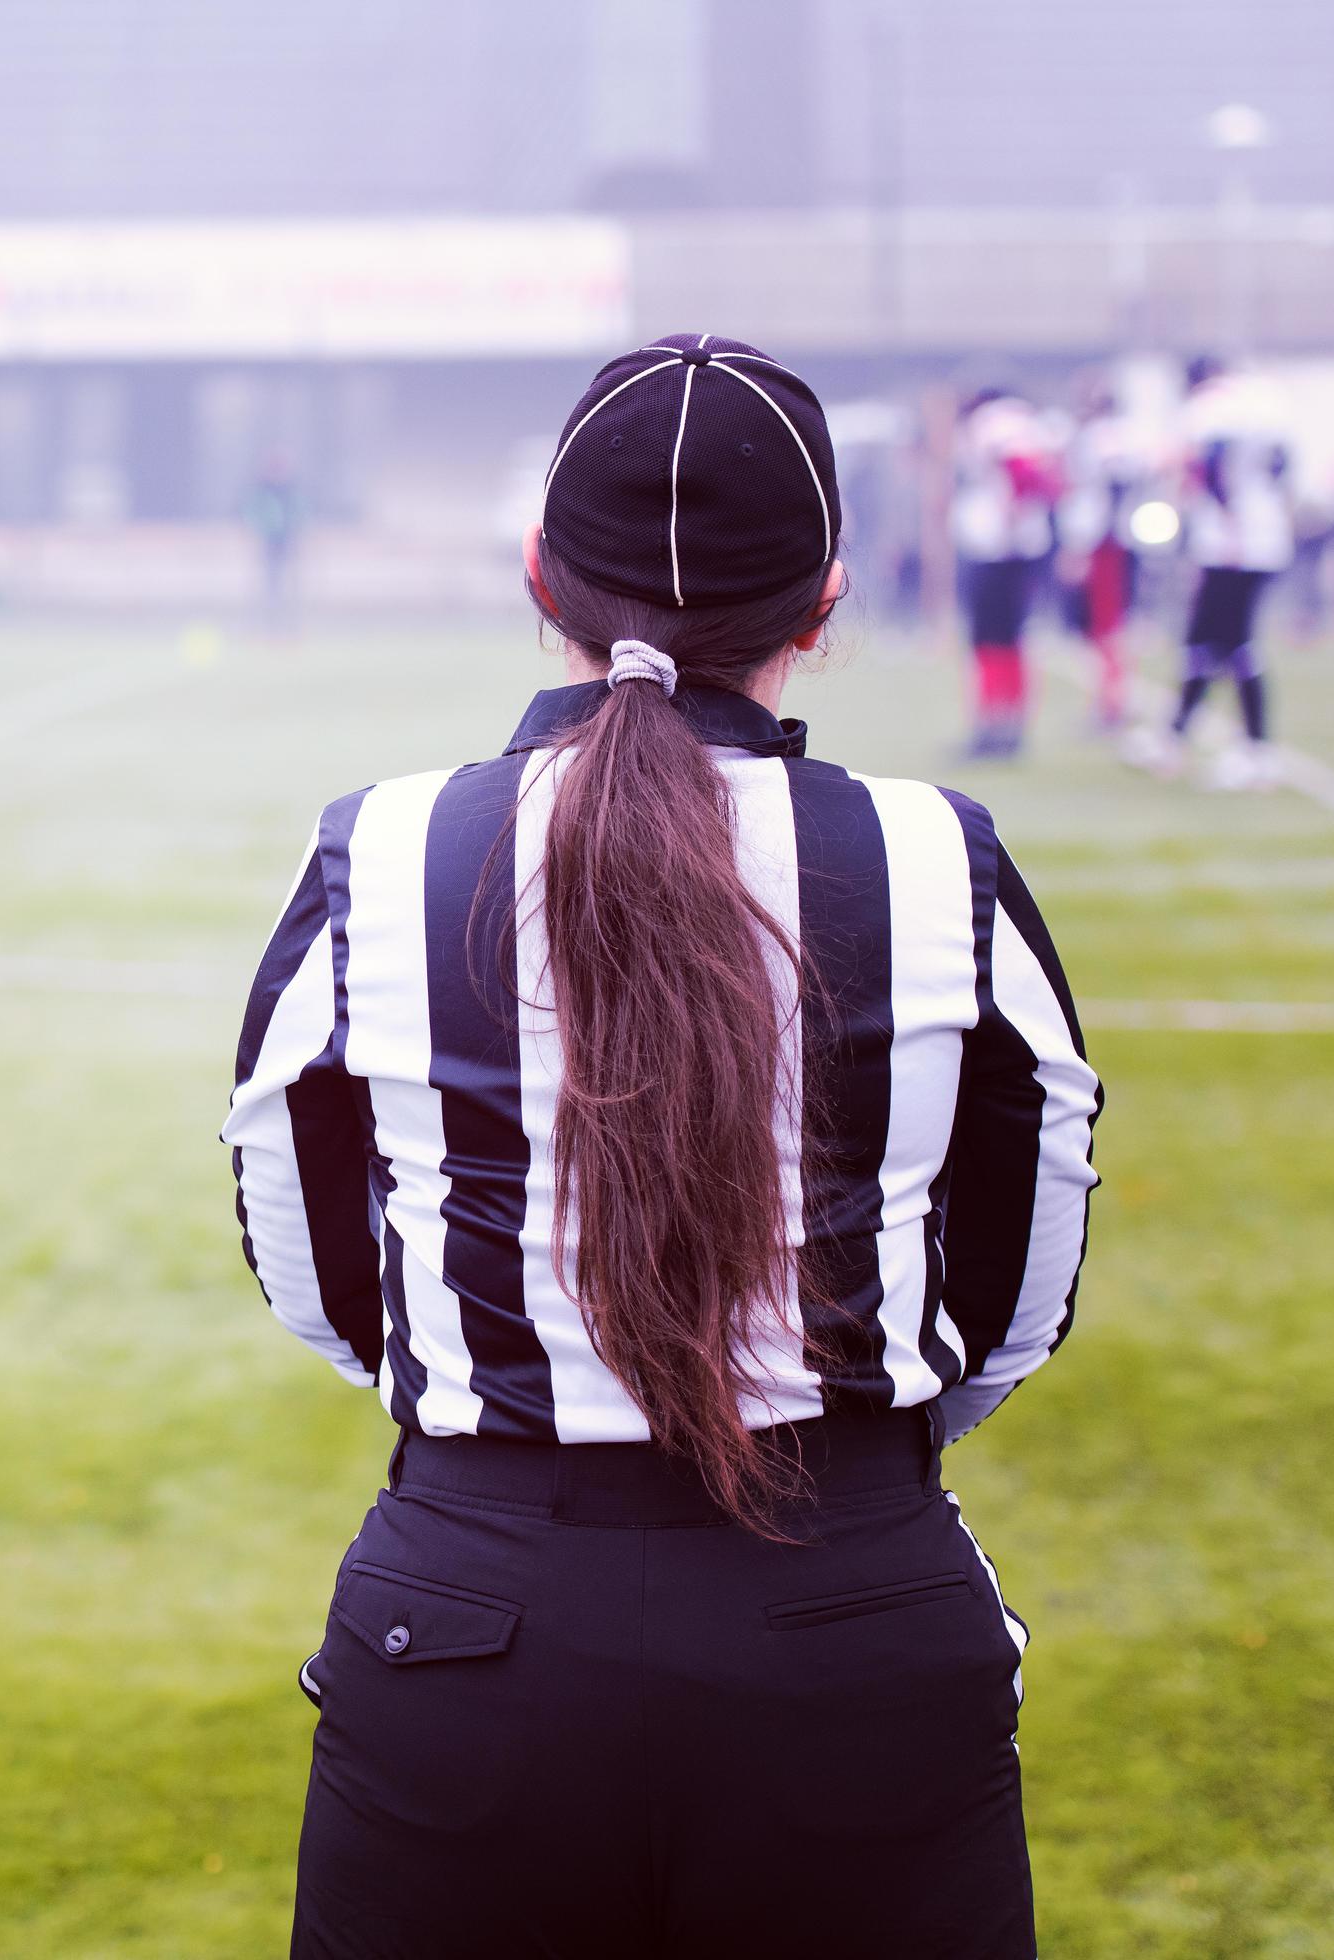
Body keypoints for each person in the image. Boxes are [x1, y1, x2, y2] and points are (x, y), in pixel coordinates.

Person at [224, 333, 1102, 1957]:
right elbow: (1027, 1260)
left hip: (477, 1611)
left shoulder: (385, 840)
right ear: (825, 600)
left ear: (540, 577)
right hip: (849, 1599)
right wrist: (855, 1441)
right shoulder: (935, 853)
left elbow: (304, 1241)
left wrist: (490, 1404)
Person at [1122, 354, 1293, 790]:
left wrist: (1228, 519)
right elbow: (1282, 465)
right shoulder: (1265, 402)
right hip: (1265, 532)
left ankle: (1255, 749)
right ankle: (1177, 735)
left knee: (1228, 642)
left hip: (1230, 538)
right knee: (1209, 639)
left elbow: (1210, 465)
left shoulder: (1210, 410)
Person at [949, 386, 1060, 757]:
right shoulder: (1028, 422)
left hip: (999, 549)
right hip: (1019, 547)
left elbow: (1020, 471)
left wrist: (1011, 514)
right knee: (1011, 637)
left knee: (990, 639)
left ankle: (993, 724)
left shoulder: (996, 424)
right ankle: (1010, 725)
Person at [1056, 376, 1149, 728]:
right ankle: (1110, 700)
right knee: (1105, 627)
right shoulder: (1117, 437)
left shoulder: (1102, 439)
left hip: (1104, 545)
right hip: (1112, 541)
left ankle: (1112, 703)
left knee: (1105, 627)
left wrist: (1084, 546)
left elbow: (1111, 493)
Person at [244, 452, 304, 634]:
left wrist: (297, 534)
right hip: (268, 543)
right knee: (269, 587)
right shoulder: (262, 491)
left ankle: (290, 627)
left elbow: (300, 514)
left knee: (291, 586)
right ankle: (268, 626)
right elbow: (252, 514)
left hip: (288, 542)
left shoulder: (291, 491)